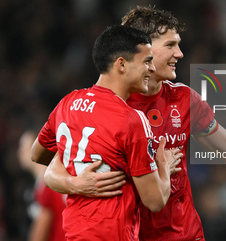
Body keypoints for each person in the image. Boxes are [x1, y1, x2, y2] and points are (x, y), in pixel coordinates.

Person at [42, 7, 226, 241]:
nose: (180, 54)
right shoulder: (107, 108)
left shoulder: (184, 99)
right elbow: (51, 160)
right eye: (171, 45)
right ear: (143, 50)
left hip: (183, 234)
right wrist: (74, 184)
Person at [31, 25, 182, 241]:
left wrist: (70, 179)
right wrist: (164, 166)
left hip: (75, 233)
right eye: (146, 61)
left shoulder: (68, 103)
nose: (151, 68)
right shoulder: (131, 119)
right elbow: (155, 201)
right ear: (121, 64)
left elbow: (37, 154)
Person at [18, 130, 66, 241]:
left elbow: (41, 228)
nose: (19, 152)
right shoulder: (58, 178)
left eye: (24, 147)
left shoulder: (48, 185)